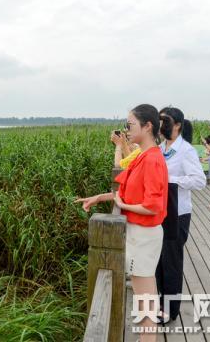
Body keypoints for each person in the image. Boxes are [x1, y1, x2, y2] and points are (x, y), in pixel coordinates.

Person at [76, 104, 168, 342]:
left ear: (147, 126)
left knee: (144, 298)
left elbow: (153, 206)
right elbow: (127, 192)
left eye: (131, 125)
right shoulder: (143, 156)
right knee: (144, 295)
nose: (127, 130)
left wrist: (124, 207)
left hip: (144, 235)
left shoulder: (152, 160)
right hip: (139, 233)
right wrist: (99, 197)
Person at [156, 107, 206, 323]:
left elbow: (200, 181)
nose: (160, 125)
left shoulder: (186, 151)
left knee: (172, 263)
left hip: (178, 214)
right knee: (158, 261)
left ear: (177, 125)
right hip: (160, 212)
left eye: (164, 121)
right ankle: (159, 303)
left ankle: (171, 310)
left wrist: (171, 182)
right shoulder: (159, 148)